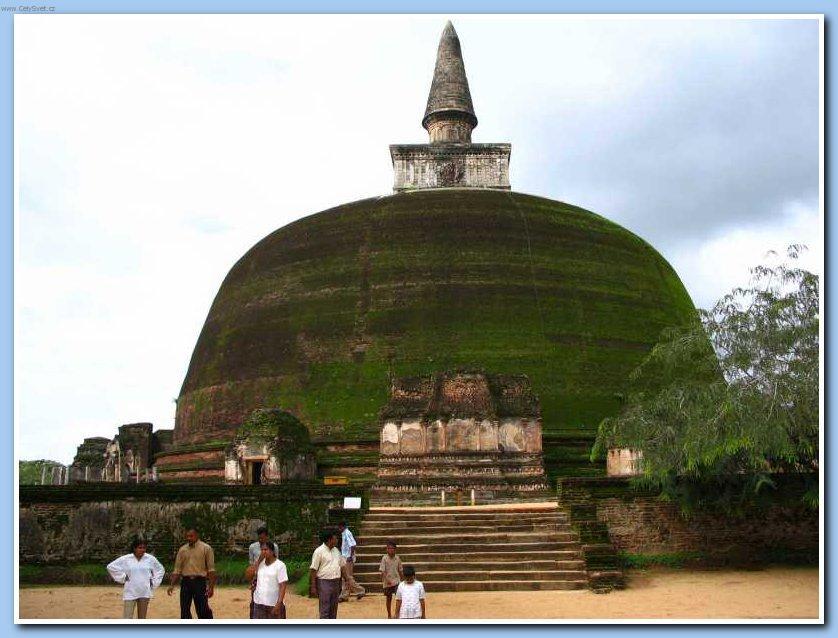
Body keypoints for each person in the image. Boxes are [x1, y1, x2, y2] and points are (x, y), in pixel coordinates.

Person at [106, 538, 166, 619]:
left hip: (144, 591)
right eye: (140, 547)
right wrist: (123, 577)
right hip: (130, 592)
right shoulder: (126, 558)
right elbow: (111, 567)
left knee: (142, 618)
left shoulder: (150, 559)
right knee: (127, 617)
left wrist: (154, 582)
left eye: (144, 548)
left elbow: (160, 569)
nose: (142, 550)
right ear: (134, 548)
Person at [167, 528, 216, 619]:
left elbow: (211, 570)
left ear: (197, 536)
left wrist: (211, 587)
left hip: (200, 582)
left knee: (202, 608)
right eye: (187, 536)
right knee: (184, 608)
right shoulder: (182, 550)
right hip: (186, 582)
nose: (189, 538)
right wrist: (172, 585)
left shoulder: (206, 548)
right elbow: (177, 570)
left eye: (191, 536)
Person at [245, 541, 288, 619]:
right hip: (259, 603)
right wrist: (258, 561)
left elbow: (283, 585)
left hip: (273, 603)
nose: (263, 552)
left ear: (272, 551)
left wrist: (279, 603)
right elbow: (248, 575)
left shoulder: (280, 565)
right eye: (262, 550)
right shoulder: (260, 564)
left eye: (266, 550)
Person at [309, 529, 343, 619]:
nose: (337, 540)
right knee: (325, 609)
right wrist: (313, 586)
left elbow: (342, 565)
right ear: (329, 539)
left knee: (334, 608)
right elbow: (313, 569)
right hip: (324, 582)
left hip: (336, 582)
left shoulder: (337, 551)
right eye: (335, 538)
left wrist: (347, 579)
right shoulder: (319, 551)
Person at [338, 520, 365, 602]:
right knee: (345, 577)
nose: (339, 529)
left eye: (339, 527)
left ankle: (360, 590)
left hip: (347, 558)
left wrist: (350, 555)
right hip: (345, 557)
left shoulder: (347, 533)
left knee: (348, 577)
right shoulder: (344, 533)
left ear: (342, 527)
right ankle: (344, 595)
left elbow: (353, 545)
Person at [247, 526, 271, 618]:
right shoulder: (252, 547)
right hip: (257, 577)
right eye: (259, 537)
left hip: (269, 577)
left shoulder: (274, 547)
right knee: (254, 600)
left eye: (263, 537)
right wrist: (251, 579)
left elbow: (276, 562)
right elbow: (251, 564)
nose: (261, 539)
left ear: (267, 537)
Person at [379, 540, 404, 619]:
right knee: (388, 598)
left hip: (397, 581)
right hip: (387, 582)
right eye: (389, 548)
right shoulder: (384, 558)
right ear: (387, 549)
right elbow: (382, 571)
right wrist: (386, 580)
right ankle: (389, 614)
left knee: (399, 598)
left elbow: (400, 570)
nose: (391, 550)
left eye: (392, 548)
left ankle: (397, 614)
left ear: (395, 549)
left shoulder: (398, 558)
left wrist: (403, 581)